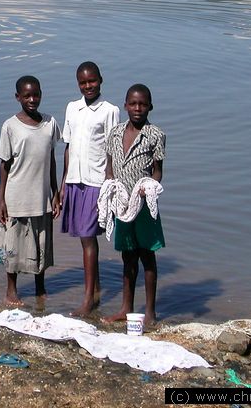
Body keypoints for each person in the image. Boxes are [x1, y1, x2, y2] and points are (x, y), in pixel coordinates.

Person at [101, 84, 165, 327]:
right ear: (125, 105)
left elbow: (158, 172)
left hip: (144, 206)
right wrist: (109, 182)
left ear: (150, 106)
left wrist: (147, 186)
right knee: (128, 257)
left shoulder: (156, 135)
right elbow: (109, 166)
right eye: (133, 104)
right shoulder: (115, 133)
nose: (138, 108)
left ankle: (150, 312)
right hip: (122, 205)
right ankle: (125, 308)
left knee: (147, 256)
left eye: (143, 104)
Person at [60, 61, 119, 316]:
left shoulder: (110, 110)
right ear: (78, 84)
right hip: (75, 180)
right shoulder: (72, 108)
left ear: (100, 80)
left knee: (87, 237)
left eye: (92, 81)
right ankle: (95, 290)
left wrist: (110, 183)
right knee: (86, 237)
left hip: (96, 182)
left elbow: (113, 149)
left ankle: (88, 300)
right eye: (83, 83)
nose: (88, 86)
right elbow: (68, 147)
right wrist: (63, 184)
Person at [0, 75, 61, 306]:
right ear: (18, 98)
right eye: (27, 96)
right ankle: (11, 289)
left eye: (36, 94)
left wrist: (55, 192)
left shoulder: (50, 123)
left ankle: (40, 287)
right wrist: (1, 200)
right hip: (16, 196)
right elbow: (4, 165)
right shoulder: (10, 126)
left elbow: (51, 159)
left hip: (41, 195)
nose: (32, 99)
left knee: (41, 244)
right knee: (13, 245)